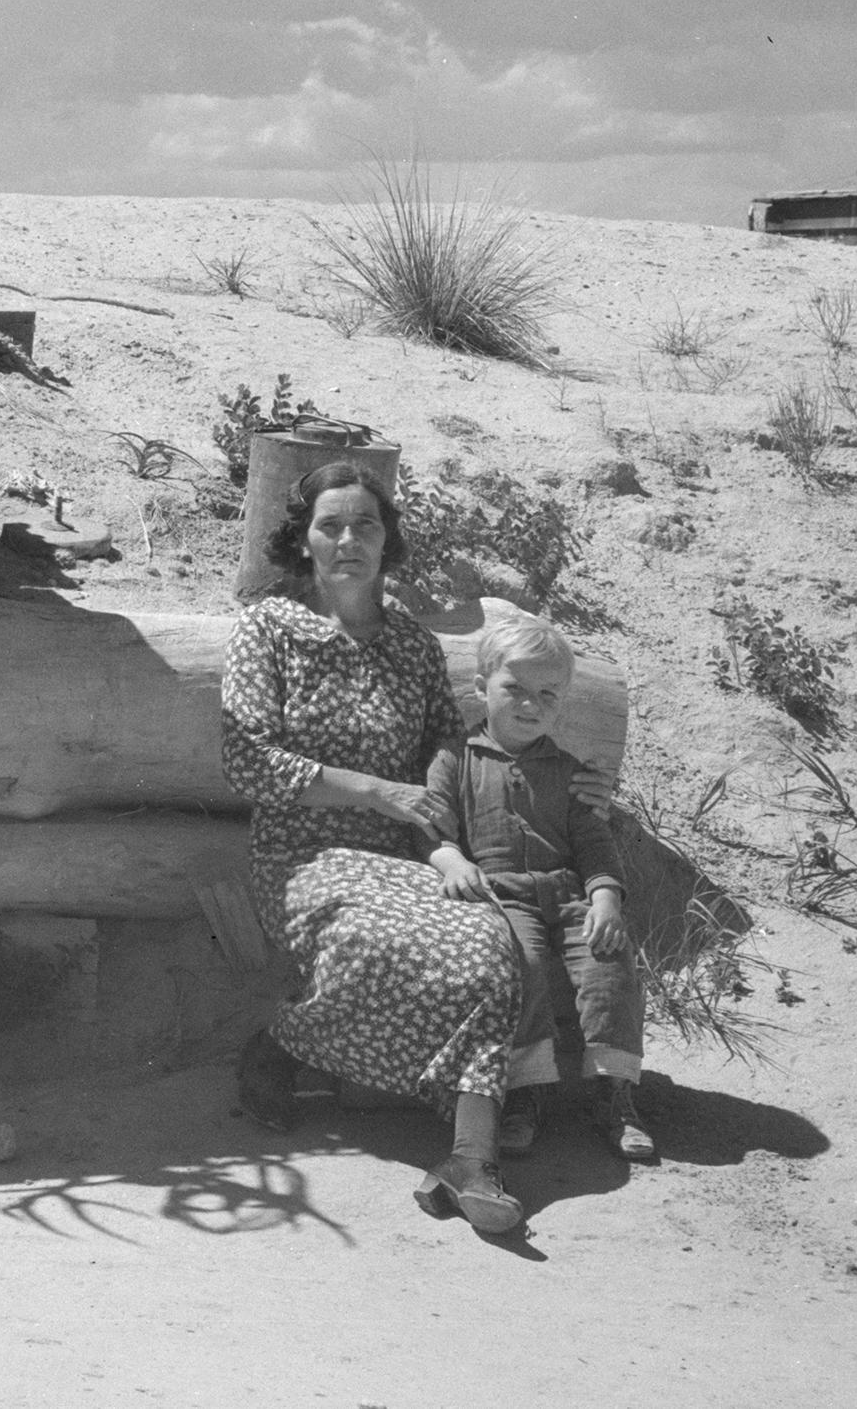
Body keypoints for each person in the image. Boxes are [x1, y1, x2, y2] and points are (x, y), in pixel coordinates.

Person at [219, 460, 540, 1236]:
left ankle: (470, 1156)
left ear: (386, 538)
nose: (349, 540)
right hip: (302, 854)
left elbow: (441, 736)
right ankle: (278, 1046)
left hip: (401, 856)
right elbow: (245, 758)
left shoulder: (410, 644)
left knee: (487, 943)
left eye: (366, 524)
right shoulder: (270, 628)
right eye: (330, 525)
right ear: (304, 540)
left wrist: (426, 798)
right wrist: (373, 790)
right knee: (371, 941)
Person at [425, 615, 657, 1163]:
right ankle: (525, 1092)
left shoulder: (567, 768)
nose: (530, 705)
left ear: (563, 701)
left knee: (607, 959)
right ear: (482, 689)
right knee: (521, 962)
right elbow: (431, 827)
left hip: (567, 891)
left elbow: (593, 844)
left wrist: (605, 896)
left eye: (547, 695)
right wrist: (452, 858)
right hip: (500, 895)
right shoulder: (455, 759)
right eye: (515, 690)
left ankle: (614, 1091)